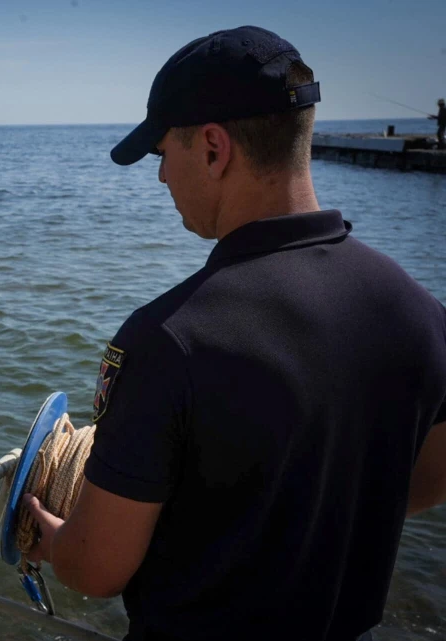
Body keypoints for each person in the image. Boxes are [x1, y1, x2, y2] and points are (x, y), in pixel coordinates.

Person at [22, 26, 446, 641]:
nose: (163, 177)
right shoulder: (421, 313)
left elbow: (97, 570)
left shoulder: (167, 340)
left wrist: (58, 542)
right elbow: (426, 484)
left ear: (215, 148)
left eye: (164, 153)